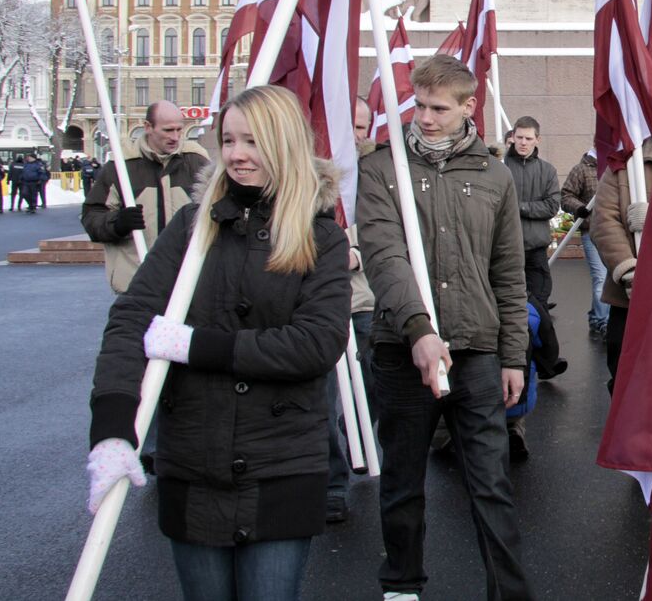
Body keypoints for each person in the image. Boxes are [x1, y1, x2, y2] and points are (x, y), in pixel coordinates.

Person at [86, 85, 352, 601]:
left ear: (284, 143)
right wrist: (113, 428)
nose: (236, 154)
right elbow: (131, 321)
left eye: (252, 141)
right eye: (228, 140)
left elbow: (318, 343)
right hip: (194, 461)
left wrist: (195, 346)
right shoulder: (191, 227)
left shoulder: (321, 237)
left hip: (282, 464)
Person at [356, 54, 533, 601]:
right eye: (419, 105)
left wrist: (512, 356)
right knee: (404, 482)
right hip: (402, 350)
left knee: (491, 485)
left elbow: (508, 271)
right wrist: (417, 328)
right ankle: (402, 586)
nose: (425, 118)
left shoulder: (494, 174)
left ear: (467, 107)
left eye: (439, 108)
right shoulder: (383, 170)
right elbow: (385, 257)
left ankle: (509, 593)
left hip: (477, 351)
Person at [324, 96, 382, 524]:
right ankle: (333, 480)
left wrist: (356, 254)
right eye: (350, 126)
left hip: (363, 298)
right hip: (316, 304)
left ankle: (355, 439)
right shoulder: (309, 171)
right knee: (323, 397)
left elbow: (389, 228)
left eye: (363, 127)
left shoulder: (376, 173)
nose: (356, 135)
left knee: (372, 385)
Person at [82, 101, 210, 294]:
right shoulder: (121, 167)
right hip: (137, 281)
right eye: (168, 130)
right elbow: (92, 216)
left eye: (179, 130)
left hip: (187, 282)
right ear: (148, 127)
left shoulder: (197, 162)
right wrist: (117, 223)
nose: (175, 137)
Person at [591, 120, 652, 393]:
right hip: (629, 298)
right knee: (626, 374)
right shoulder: (625, 167)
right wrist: (629, 271)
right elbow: (603, 222)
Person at [504, 116, 561, 310]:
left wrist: (519, 207)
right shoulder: (500, 167)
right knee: (508, 300)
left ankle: (538, 339)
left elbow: (552, 206)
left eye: (528, 138)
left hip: (536, 247)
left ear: (537, 140)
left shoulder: (547, 171)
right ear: (512, 137)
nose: (523, 142)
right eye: (519, 137)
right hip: (506, 246)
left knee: (539, 300)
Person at [561, 150, 607, 337]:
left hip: (616, 233)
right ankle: (604, 322)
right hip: (592, 232)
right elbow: (566, 196)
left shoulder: (617, 167)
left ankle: (597, 317)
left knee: (612, 279)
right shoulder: (581, 170)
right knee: (601, 278)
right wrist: (579, 208)